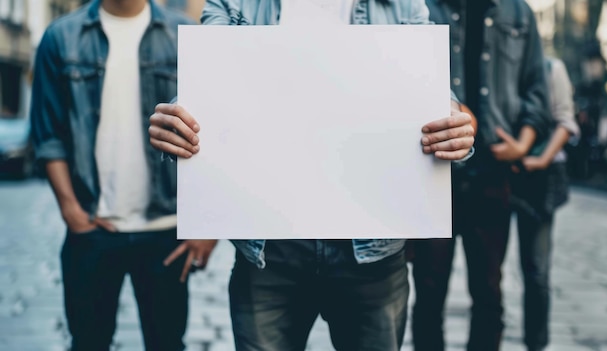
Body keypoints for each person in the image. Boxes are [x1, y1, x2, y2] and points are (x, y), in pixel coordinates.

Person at [148, 1, 475, 350]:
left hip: (371, 251)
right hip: (270, 251)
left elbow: (429, 91)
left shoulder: (402, 4)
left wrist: (453, 122)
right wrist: (177, 123)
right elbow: (208, 83)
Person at [30, 1, 217, 350]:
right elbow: (47, 134)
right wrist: (71, 210)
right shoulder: (60, 37)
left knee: (167, 343)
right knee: (88, 342)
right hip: (92, 229)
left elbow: (217, 132)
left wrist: (208, 229)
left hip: (166, 233)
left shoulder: (186, 36)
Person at [411, 1, 553, 351]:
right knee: (428, 288)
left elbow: (537, 86)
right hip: (433, 170)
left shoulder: (518, 12)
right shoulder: (423, 8)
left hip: (493, 172)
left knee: (488, 289)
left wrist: (524, 144)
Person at [508, 56, 580, 351]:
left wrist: (540, 159)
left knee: (536, 269)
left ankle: (536, 344)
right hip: (499, 172)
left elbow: (565, 119)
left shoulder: (552, 68)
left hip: (538, 178)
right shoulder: (501, 66)